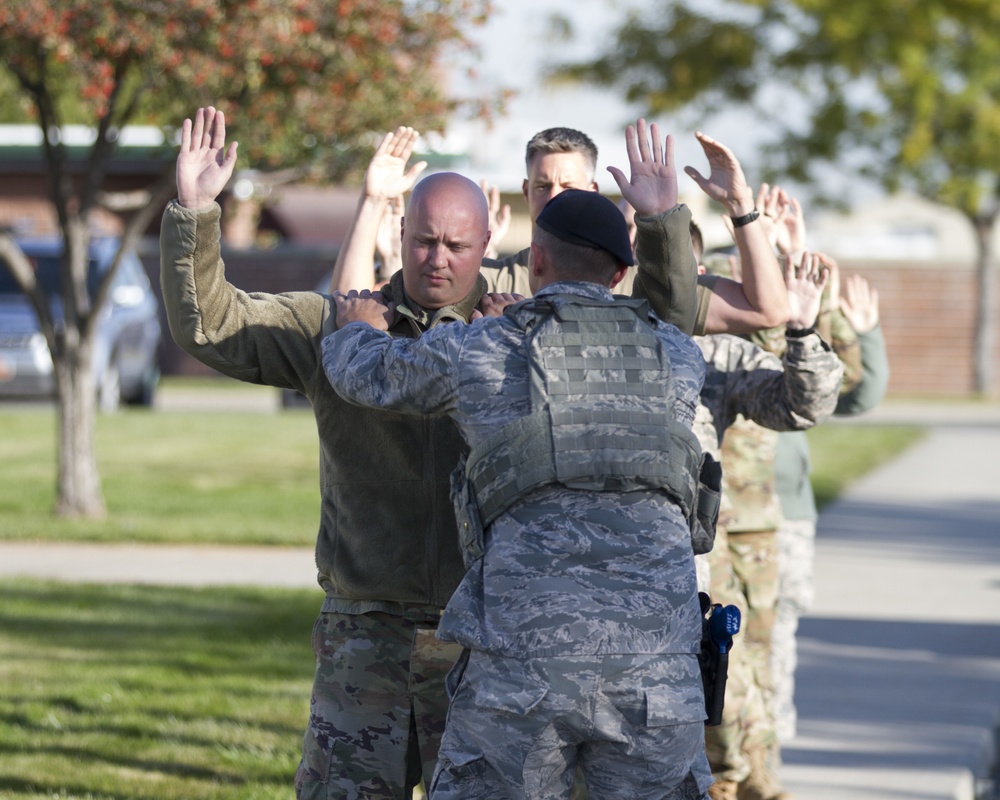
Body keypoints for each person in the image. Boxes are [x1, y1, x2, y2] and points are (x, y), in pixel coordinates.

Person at [159, 106, 700, 799]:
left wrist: (660, 228)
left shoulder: (517, 340)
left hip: (487, 643)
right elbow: (210, 325)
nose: (437, 259)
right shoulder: (338, 322)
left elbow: (658, 329)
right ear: (400, 232)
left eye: (456, 244)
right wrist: (195, 213)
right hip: (368, 634)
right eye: (421, 241)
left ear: (492, 245)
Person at [322, 188, 712, 799]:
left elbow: (364, 377)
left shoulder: (484, 349)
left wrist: (355, 329)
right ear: (618, 272)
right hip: (655, 667)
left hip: (523, 663)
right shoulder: (680, 357)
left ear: (537, 262)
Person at [333, 121, 790, 337]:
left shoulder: (636, 283)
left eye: (568, 185)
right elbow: (350, 309)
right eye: (542, 185)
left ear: (593, 189)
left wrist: (740, 208)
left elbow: (765, 310)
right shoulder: (494, 281)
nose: (554, 197)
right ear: (526, 190)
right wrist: (373, 200)